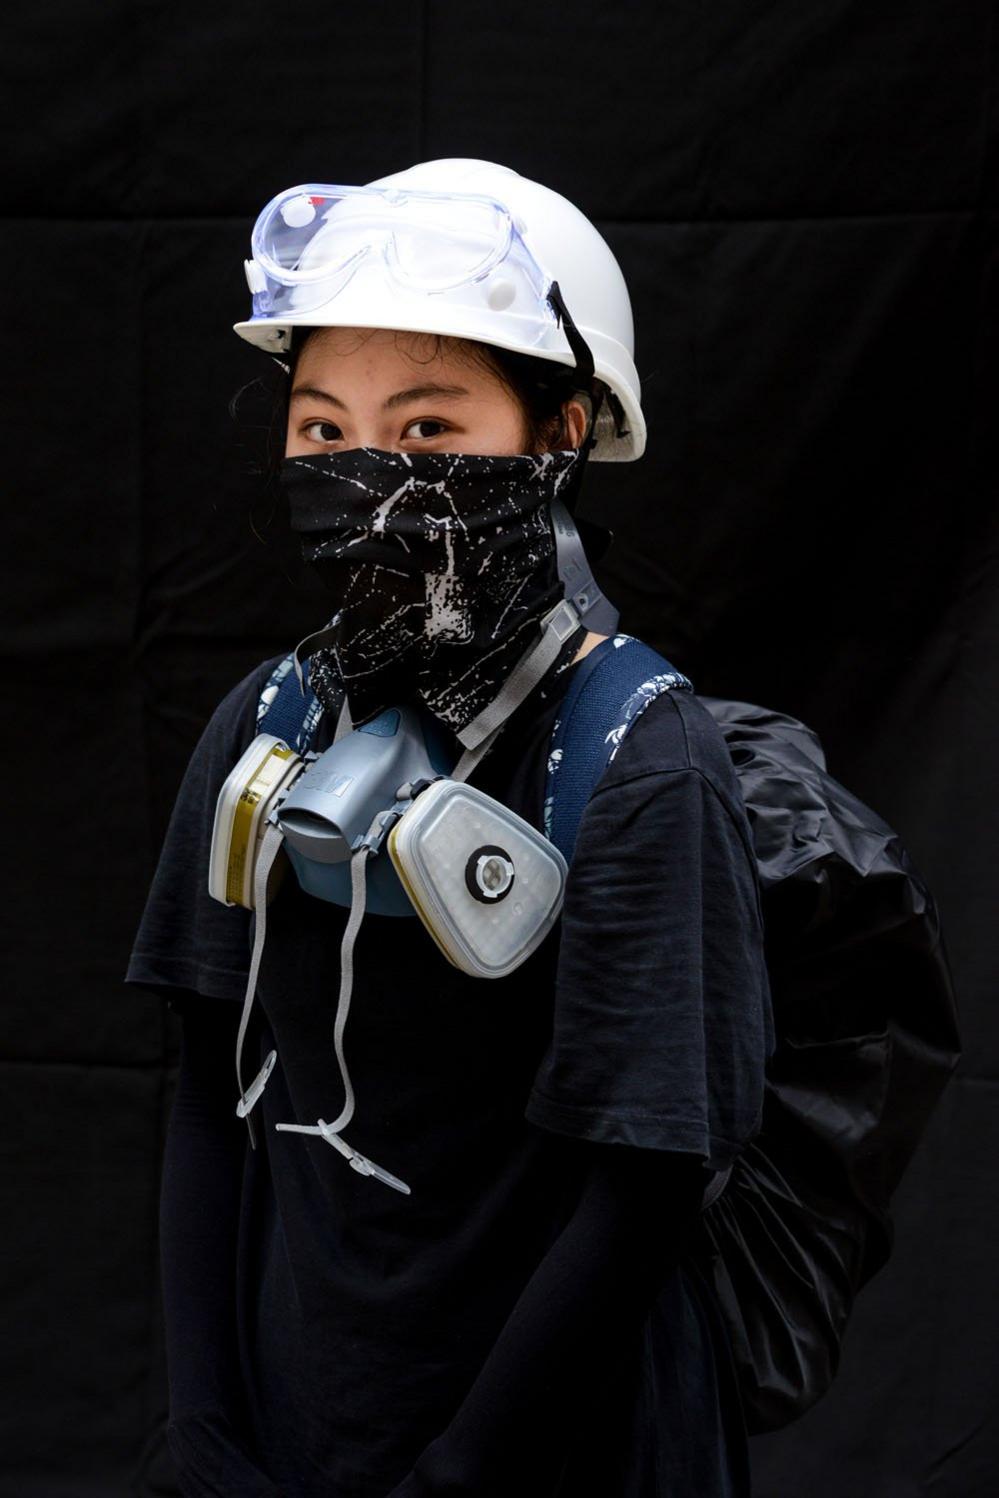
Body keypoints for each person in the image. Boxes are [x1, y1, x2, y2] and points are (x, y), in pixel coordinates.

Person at [126, 158, 774, 1497]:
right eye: (322, 430)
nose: (367, 474)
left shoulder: (642, 758)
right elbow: (203, 1083)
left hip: (576, 1451)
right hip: (306, 1429)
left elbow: (646, 1187)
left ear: (562, 433)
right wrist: (199, 1424)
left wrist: (463, 1473)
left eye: (427, 432)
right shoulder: (268, 721)